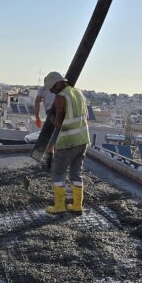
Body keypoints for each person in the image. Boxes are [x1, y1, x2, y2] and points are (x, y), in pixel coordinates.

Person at [42, 71, 90, 215]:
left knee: (57, 172)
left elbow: (58, 123)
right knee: (76, 173)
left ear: (58, 84)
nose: (50, 90)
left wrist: (51, 119)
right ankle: (77, 206)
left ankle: (59, 206)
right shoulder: (79, 94)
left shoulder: (60, 98)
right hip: (83, 140)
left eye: (51, 87)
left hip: (68, 140)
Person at [33, 86, 56, 169]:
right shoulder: (62, 87)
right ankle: (50, 164)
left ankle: (48, 165)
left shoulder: (43, 88)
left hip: (52, 113)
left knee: (49, 140)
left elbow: (37, 101)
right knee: (53, 139)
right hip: (62, 112)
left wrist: (37, 117)